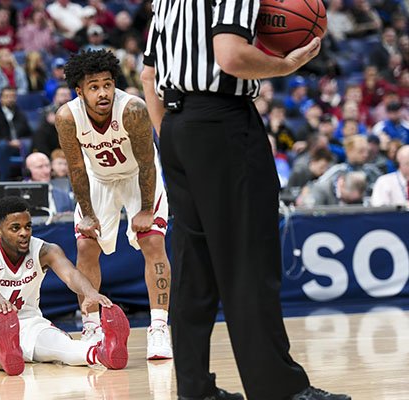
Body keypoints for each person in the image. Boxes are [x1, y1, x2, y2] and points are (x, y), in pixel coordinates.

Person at [142, 1, 350, 399]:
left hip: (177, 127)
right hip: (222, 122)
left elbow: (148, 76)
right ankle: (279, 390)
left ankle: (195, 388)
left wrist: (175, 137)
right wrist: (286, 65)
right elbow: (232, 55)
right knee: (249, 259)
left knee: (194, 265)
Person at [55, 50, 173, 360]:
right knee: (85, 247)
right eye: (93, 87)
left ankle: (159, 327)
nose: (103, 92)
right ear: (79, 91)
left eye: (107, 84)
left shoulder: (132, 109)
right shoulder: (67, 117)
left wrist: (146, 209)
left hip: (138, 177)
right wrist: (88, 214)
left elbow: (148, 163)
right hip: (98, 179)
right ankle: (91, 324)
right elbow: (77, 168)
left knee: (152, 242)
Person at [0, 196, 130, 376]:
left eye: (28, 226)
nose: (24, 232)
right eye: (15, 228)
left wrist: (90, 292)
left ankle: (104, 353)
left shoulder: (45, 250)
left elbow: (70, 274)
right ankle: (6, 354)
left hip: (31, 322)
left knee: (63, 346)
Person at [0, 87, 32, 180]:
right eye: (7, 96)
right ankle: (3, 180)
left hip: (19, 146)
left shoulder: (21, 115)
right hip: (1, 148)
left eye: (12, 96)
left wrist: (21, 141)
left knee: (29, 143)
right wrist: (8, 142)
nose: (10, 99)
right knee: (2, 146)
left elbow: (29, 133)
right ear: (0, 99)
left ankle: (29, 177)